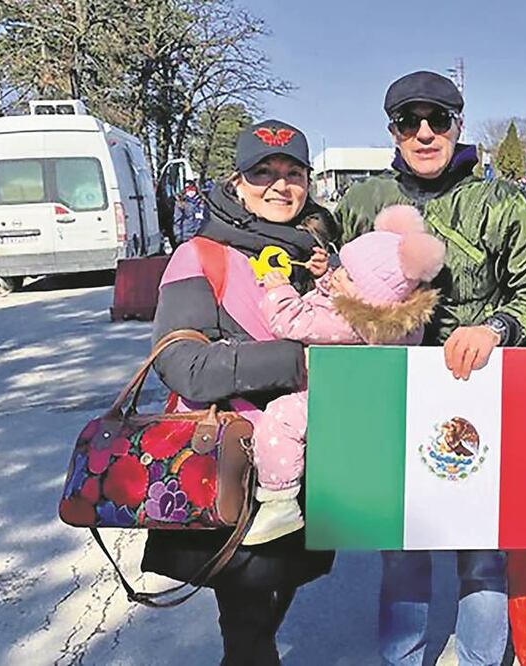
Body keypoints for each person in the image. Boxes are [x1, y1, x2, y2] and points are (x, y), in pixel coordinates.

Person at [333, 70, 526, 666]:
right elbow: (322, 279)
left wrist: (498, 328)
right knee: (401, 546)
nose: (426, 133)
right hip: (391, 394)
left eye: (439, 119)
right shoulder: (361, 203)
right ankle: (403, 658)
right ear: (393, 131)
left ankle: (483, 659)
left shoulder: (501, 202)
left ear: (459, 124)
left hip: (478, 393)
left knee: (481, 549)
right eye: (411, 122)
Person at [145, 119, 337, 665]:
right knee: (248, 624)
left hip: (304, 464)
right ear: (236, 182)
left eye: (293, 173)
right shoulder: (200, 255)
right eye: (263, 173)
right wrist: (296, 363)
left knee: (273, 604)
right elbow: (183, 365)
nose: (280, 186)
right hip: (237, 468)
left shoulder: (315, 254)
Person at [246, 205, 446, 545]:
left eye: (348, 276)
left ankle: (279, 499)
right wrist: (327, 276)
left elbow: (292, 321)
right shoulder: (389, 321)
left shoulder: (349, 320)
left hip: (337, 399)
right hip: (358, 396)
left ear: (367, 298)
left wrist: (276, 287)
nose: (340, 275)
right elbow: (344, 296)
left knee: (282, 419)